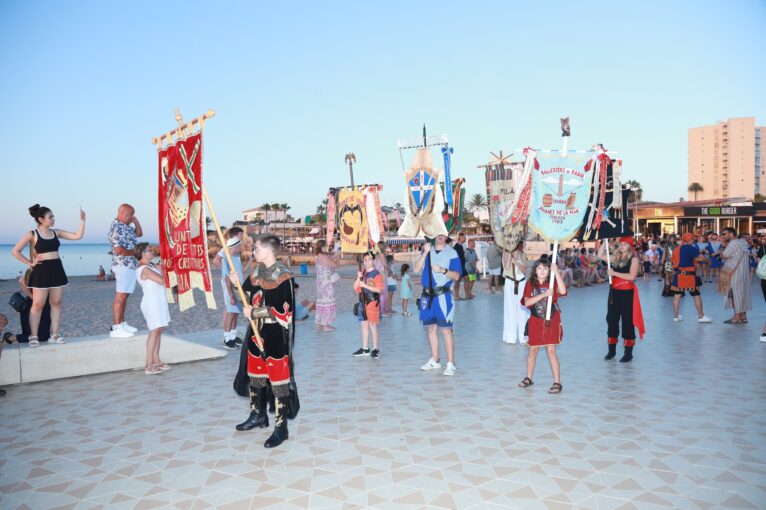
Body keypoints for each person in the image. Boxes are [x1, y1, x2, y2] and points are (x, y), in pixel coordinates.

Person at [229, 234, 296, 448]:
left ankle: (281, 427)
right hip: (255, 335)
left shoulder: (284, 277)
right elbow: (246, 301)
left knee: (278, 383)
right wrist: (236, 285)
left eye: (256, 248)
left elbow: (286, 313)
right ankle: (258, 415)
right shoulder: (257, 272)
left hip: (275, 338)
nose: (253, 251)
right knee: (256, 377)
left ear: (268, 250)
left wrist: (255, 312)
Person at [11, 204, 86, 347]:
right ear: (41, 219)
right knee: (37, 304)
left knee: (56, 304)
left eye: (53, 216)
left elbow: (77, 236)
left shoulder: (56, 233)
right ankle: (33, 336)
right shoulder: (32, 234)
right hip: (41, 272)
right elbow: (15, 251)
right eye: (50, 217)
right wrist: (29, 263)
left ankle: (55, 334)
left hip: (57, 270)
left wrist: (82, 220)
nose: (53, 219)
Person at [416, 234, 462, 376]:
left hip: (443, 296)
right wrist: (425, 253)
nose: (441, 236)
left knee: (446, 330)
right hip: (427, 297)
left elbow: (457, 276)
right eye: (438, 233)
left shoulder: (451, 252)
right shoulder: (427, 250)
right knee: (431, 329)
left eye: (443, 233)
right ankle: (435, 359)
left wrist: (443, 270)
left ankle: (450, 363)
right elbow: (416, 269)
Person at [518, 258, 566, 394]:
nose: (542, 271)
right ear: (535, 271)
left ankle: (557, 382)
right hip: (536, 320)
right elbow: (527, 303)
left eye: (545, 268)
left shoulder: (552, 282)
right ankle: (529, 378)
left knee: (551, 351)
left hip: (551, 320)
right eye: (539, 268)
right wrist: (544, 294)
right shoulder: (530, 285)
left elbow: (562, 291)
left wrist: (556, 272)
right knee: (532, 351)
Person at [598, 238, 645, 362]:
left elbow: (631, 276)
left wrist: (614, 273)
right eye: (620, 244)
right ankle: (611, 351)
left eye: (625, 244)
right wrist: (605, 241)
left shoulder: (634, 259)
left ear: (630, 246)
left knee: (627, 322)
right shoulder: (615, 258)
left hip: (627, 294)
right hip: (614, 293)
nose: (622, 246)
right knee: (612, 320)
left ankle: (628, 353)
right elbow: (600, 255)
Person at [134, 243, 171, 375]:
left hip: (159, 300)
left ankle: (156, 360)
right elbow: (162, 281)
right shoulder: (144, 269)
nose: (152, 252)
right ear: (143, 253)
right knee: (154, 331)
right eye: (150, 250)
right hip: (152, 302)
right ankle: (149, 364)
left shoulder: (151, 265)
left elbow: (165, 267)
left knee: (159, 329)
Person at [108, 204, 143, 338]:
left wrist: (136, 222)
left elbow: (139, 233)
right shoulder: (117, 227)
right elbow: (119, 250)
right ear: (123, 213)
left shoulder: (126, 227)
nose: (131, 217)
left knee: (125, 296)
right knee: (120, 297)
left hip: (129, 265)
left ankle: (121, 323)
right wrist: (135, 254)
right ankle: (116, 327)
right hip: (123, 265)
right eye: (131, 215)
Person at [671, 233, 712, 323]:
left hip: (678, 275)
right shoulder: (692, 248)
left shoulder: (676, 249)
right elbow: (699, 259)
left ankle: (676, 317)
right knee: (696, 295)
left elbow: (673, 261)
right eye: (692, 238)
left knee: (677, 295)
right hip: (689, 276)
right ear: (690, 239)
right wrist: (708, 260)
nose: (693, 239)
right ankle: (701, 317)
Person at [352, 251, 384, 359]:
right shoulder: (364, 272)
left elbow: (379, 289)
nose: (367, 262)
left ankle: (375, 348)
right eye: (365, 260)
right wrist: (358, 278)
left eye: (369, 259)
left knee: (372, 325)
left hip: (372, 301)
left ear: (373, 260)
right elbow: (356, 287)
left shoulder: (376, 274)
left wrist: (364, 284)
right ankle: (365, 348)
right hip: (362, 301)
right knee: (364, 324)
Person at [720, 227, 752, 324]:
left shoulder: (732, 244)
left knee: (734, 294)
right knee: (742, 294)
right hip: (744, 272)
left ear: (731, 234)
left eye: (724, 234)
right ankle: (743, 316)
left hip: (734, 273)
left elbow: (724, 256)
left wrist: (722, 248)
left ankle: (736, 317)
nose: (723, 236)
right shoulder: (743, 242)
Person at [219, 229, 244, 349]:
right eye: (239, 246)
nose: (240, 247)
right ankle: (227, 338)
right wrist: (232, 296)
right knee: (230, 313)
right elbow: (227, 279)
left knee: (235, 313)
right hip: (231, 291)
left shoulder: (235, 257)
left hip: (238, 290)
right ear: (234, 247)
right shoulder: (227, 259)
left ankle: (233, 337)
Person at [502, 241, 530, 345]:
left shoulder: (523, 255)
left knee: (522, 309)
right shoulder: (506, 252)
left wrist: (517, 261)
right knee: (510, 309)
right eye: (523, 244)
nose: (524, 246)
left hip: (521, 282)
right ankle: (510, 337)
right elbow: (506, 267)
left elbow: (524, 270)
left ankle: (523, 337)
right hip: (510, 282)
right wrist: (510, 256)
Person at [314, 239, 340, 331]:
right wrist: (339, 258)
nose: (327, 248)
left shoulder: (318, 256)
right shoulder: (323, 257)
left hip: (320, 283)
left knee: (321, 302)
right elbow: (336, 265)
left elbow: (331, 257)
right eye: (326, 246)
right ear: (322, 247)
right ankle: (325, 325)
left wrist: (337, 253)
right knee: (328, 301)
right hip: (327, 283)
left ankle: (320, 324)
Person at [453, 233, 467, 299]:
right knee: (457, 281)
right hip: (459, 267)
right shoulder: (456, 247)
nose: (465, 238)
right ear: (460, 237)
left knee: (467, 279)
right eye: (463, 237)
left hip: (462, 266)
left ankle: (467, 294)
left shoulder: (461, 246)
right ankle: (456, 296)